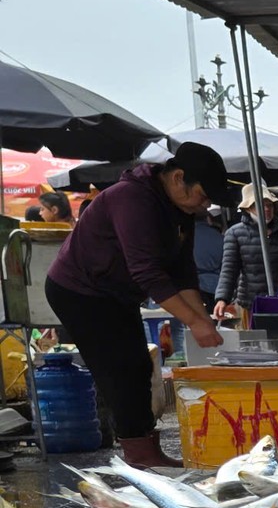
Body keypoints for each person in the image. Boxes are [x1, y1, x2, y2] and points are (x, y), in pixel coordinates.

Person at [41, 142, 230, 466]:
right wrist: (195, 323)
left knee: (140, 365)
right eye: (203, 193)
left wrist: (202, 318)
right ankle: (138, 456)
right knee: (119, 368)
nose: (205, 204)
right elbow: (148, 272)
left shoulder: (179, 211)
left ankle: (146, 448)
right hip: (80, 290)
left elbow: (183, 272)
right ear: (178, 177)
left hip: (118, 293)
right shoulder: (131, 198)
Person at [213, 186, 278, 319]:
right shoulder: (234, 233)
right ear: (248, 208)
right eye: (260, 205)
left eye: (269, 205)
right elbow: (229, 269)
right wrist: (222, 299)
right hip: (250, 304)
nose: (266, 209)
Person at [193, 204, 226, 305]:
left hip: (194, 287)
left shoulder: (186, 237)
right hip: (217, 286)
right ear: (208, 219)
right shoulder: (220, 237)